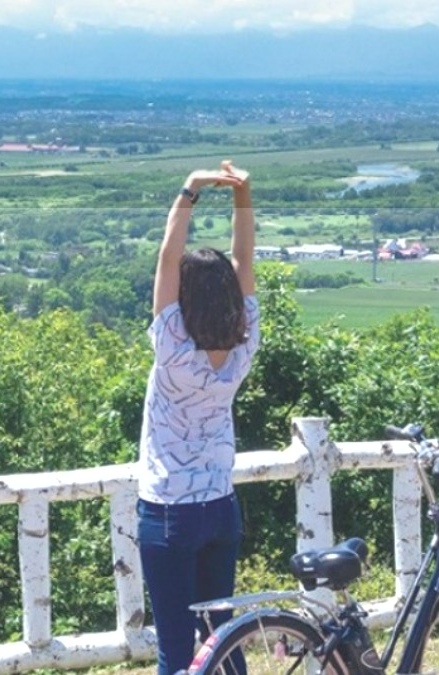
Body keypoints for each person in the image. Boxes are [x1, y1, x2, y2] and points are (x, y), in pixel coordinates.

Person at [137, 160, 259, 675]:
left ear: (185, 297)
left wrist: (190, 188)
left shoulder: (172, 348)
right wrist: (243, 194)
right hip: (220, 506)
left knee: (177, 651)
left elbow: (167, 256)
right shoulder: (242, 345)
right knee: (222, 642)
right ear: (231, 297)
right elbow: (244, 257)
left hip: (169, 511)